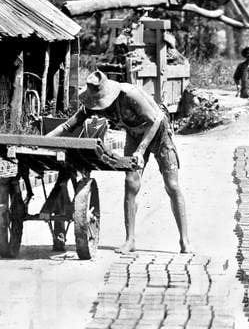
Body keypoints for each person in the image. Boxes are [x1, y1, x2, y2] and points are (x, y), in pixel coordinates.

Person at [46, 70, 189, 254]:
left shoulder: (129, 95)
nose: (98, 107)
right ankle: (130, 240)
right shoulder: (93, 103)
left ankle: (184, 241)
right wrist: (43, 141)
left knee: (172, 185)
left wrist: (140, 150)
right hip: (133, 135)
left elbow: (155, 121)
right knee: (130, 184)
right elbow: (67, 125)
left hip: (159, 133)